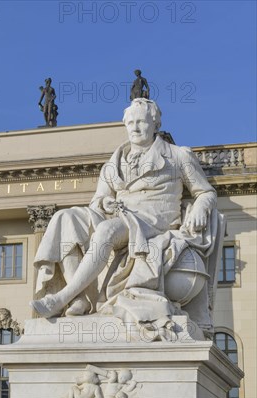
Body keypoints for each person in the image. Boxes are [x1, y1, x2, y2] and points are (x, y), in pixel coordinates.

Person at [30, 98, 216, 324]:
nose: (135, 128)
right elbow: (98, 199)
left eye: (142, 122)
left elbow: (206, 192)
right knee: (65, 218)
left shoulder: (178, 155)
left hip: (152, 220)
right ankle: (79, 298)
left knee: (106, 231)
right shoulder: (113, 163)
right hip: (118, 215)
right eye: (131, 123)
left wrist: (199, 207)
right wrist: (104, 203)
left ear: (156, 125)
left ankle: (61, 297)